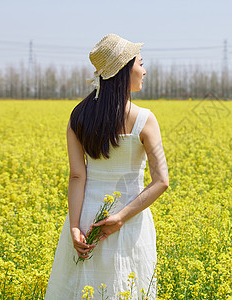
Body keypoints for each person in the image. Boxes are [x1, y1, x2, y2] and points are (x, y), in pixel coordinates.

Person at [45, 34, 169, 299]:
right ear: (124, 70)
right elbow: (161, 181)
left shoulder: (78, 117)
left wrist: (75, 227)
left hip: (87, 218)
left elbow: (77, 176)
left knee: (82, 290)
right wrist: (121, 218)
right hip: (129, 219)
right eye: (140, 63)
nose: (144, 70)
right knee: (127, 288)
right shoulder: (145, 119)